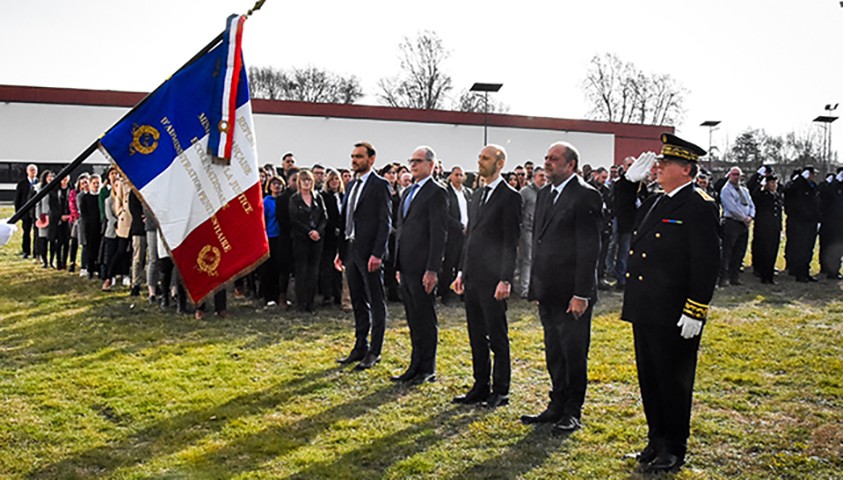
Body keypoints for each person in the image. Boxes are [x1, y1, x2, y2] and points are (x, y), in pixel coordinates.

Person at [621, 133, 720, 474]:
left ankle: (674, 447)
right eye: (659, 162)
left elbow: (706, 262)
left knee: (673, 381)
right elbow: (621, 218)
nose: (658, 167)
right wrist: (626, 183)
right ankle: (655, 440)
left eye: (667, 163)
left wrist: (696, 308)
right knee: (649, 378)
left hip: (674, 311)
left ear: (686, 169)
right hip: (645, 307)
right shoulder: (654, 201)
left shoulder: (700, 205)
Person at [520, 141, 602, 434]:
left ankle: (572, 410)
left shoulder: (585, 195)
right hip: (549, 290)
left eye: (553, 159)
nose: (547, 163)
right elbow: (539, 243)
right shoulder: (544, 195)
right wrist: (536, 289)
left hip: (572, 293)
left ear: (571, 165)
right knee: (554, 350)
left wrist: (581, 294)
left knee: (574, 351)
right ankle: (556, 403)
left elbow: (589, 249)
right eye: (546, 158)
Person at [451, 144, 520, 408]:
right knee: (476, 334)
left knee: (497, 335)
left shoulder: (509, 196)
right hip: (473, 277)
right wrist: (461, 271)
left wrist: (505, 279)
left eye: (486, 158)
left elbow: (510, 241)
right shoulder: (477, 195)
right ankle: (481, 385)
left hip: (494, 279)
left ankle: (501, 389)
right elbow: (469, 238)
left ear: (499, 163)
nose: (480, 162)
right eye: (479, 157)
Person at [392, 145, 448, 385]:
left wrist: (432, 269)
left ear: (431, 165)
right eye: (411, 161)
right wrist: (397, 265)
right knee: (413, 317)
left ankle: (428, 367)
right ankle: (415, 364)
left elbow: (439, 233)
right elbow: (402, 230)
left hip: (423, 266)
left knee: (425, 317)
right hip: (406, 265)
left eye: (418, 161)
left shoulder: (436, 192)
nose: (412, 165)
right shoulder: (408, 191)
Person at [335, 142, 392, 371]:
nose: (354, 160)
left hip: (370, 253)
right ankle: (360, 345)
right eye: (352, 156)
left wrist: (377, 253)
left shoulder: (380, 185)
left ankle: (374, 351)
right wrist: (341, 253)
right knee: (358, 300)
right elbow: (345, 219)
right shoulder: (350, 185)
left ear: (371, 159)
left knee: (375, 301)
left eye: (359, 156)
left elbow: (385, 222)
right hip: (351, 250)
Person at [289, 169, 327, 313]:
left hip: (317, 240)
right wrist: (309, 231)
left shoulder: (318, 197)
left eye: (309, 180)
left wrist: (318, 231)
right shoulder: (294, 199)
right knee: (301, 271)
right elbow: (294, 219)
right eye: (304, 180)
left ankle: (310, 303)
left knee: (313, 271)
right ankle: (301, 303)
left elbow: (324, 216)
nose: (306, 183)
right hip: (301, 239)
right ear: (299, 182)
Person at [719, 167, 755, 287]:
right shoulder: (726, 190)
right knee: (728, 251)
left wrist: (751, 216)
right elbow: (731, 207)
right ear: (729, 175)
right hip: (732, 222)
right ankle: (724, 277)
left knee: (740, 251)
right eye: (734, 174)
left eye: (738, 174)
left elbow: (751, 204)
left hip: (744, 224)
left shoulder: (744, 190)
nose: (736, 177)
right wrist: (743, 217)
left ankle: (735, 276)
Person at [440, 165, 471, 305]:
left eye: (461, 175)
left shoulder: (467, 193)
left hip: (467, 233)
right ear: (451, 176)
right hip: (453, 234)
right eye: (456, 175)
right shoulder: (446, 193)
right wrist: (459, 226)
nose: (459, 178)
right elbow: (444, 215)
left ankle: (463, 293)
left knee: (464, 264)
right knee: (449, 264)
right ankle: (445, 293)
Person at [785, 166, 821, 282]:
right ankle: (799, 273)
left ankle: (806, 271)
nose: (813, 176)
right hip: (800, 222)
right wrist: (800, 179)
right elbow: (789, 192)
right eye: (811, 174)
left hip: (812, 222)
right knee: (801, 248)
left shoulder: (813, 186)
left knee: (809, 248)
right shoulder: (798, 186)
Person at [515, 166, 546, 297]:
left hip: (541, 230)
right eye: (541, 176)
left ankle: (536, 286)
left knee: (539, 259)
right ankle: (524, 288)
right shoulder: (525, 192)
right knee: (527, 258)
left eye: (545, 176)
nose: (544, 178)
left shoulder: (547, 192)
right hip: (527, 230)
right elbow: (518, 210)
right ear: (534, 177)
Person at [751, 175, 783, 284]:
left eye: (775, 183)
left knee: (773, 251)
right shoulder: (763, 195)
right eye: (772, 183)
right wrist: (761, 184)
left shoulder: (776, 196)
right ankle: (764, 275)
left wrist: (780, 228)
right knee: (765, 252)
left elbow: (778, 214)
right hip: (764, 228)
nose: (774, 185)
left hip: (775, 228)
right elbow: (755, 196)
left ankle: (770, 275)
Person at [320, 169, 345, 305]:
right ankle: (327, 294)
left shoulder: (343, 196)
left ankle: (338, 294)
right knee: (327, 265)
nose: (334, 182)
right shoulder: (324, 196)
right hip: (329, 234)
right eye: (332, 180)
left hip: (341, 234)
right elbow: (325, 216)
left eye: (336, 179)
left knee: (339, 265)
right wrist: (333, 228)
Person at [262, 176, 285, 307]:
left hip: (281, 237)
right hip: (270, 237)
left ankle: (279, 295)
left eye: (279, 184)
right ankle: (268, 296)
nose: (277, 186)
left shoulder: (284, 201)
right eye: (274, 184)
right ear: (270, 186)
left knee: (279, 268)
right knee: (268, 269)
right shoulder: (266, 202)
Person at [819, 167, 843, 279]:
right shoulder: (832, 187)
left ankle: (834, 270)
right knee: (834, 247)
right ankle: (831, 271)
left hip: (839, 222)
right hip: (833, 223)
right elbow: (825, 194)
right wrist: (835, 182)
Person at [79, 174, 102, 279]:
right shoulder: (85, 197)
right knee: (90, 248)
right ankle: (90, 269)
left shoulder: (101, 197)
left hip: (100, 226)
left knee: (99, 248)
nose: (96, 185)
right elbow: (84, 213)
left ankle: (98, 268)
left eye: (98, 183)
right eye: (94, 183)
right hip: (90, 227)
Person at [14, 164, 38, 259]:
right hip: (26, 213)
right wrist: (18, 213)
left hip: (36, 213)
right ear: (27, 171)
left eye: (34, 170)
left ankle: (36, 252)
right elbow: (17, 200)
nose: (33, 172)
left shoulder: (39, 183)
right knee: (26, 232)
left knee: (37, 234)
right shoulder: (22, 184)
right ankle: (26, 251)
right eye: (31, 170)